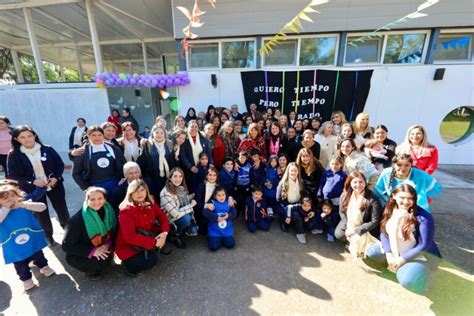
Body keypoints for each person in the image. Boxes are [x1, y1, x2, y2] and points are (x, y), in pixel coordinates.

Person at [365, 183, 441, 293]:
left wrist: (402, 260)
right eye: (402, 197)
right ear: (394, 196)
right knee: (372, 252)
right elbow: (384, 231)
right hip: (396, 248)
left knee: (407, 281)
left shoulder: (423, 217)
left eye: (410, 198)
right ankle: (397, 266)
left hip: (418, 255)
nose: (406, 202)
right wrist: (389, 253)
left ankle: (423, 277)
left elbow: (424, 245)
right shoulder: (389, 209)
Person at [7, 125, 70, 246]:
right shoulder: (14, 154)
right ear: (16, 139)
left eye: (30, 136)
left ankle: (68, 231)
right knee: (41, 213)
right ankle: (48, 235)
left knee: (61, 209)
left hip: (54, 185)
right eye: (22, 137)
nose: (27, 139)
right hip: (33, 189)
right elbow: (13, 175)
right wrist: (32, 181)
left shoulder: (47, 149)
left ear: (34, 135)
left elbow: (60, 165)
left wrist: (55, 178)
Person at [0, 183, 56, 291]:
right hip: (13, 244)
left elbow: (42, 207)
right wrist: (6, 209)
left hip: (31, 239)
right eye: (5, 198)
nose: (10, 199)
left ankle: (44, 267)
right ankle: (26, 279)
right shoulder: (2, 212)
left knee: (38, 254)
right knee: (20, 263)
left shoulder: (24, 205)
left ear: (18, 195)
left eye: (12, 196)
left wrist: (25, 205)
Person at [116, 180, 171, 276]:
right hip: (129, 245)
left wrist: (164, 234)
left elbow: (163, 218)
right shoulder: (126, 211)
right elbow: (130, 237)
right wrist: (154, 242)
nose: (139, 193)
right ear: (130, 193)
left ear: (146, 191)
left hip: (146, 234)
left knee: (170, 230)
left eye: (142, 190)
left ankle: (154, 248)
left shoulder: (150, 202)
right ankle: (128, 266)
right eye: (136, 191)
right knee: (151, 261)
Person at [62, 187, 117, 280]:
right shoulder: (76, 221)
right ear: (87, 200)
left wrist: (107, 244)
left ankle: (104, 259)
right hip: (83, 252)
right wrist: (93, 251)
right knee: (100, 263)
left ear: (104, 199)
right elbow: (66, 246)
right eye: (92, 199)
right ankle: (91, 271)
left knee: (106, 259)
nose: (96, 202)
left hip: (103, 245)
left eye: (100, 198)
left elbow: (114, 231)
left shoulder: (108, 211)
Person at [335, 172, 382, 259]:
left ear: (365, 182)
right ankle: (351, 241)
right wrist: (348, 227)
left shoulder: (373, 199)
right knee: (339, 234)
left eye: (361, 182)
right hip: (350, 223)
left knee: (368, 250)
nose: (358, 185)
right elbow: (342, 212)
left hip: (365, 227)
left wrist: (356, 231)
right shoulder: (345, 195)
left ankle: (359, 246)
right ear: (350, 183)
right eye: (355, 182)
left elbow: (374, 221)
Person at [374, 153, 442, 212]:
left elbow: (436, 188)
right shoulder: (386, 173)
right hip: (391, 206)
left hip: (414, 208)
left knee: (425, 226)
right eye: (399, 165)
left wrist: (425, 197)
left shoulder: (419, 175)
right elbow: (378, 191)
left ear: (411, 165)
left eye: (407, 165)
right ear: (394, 164)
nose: (403, 168)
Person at [72, 126, 126, 194]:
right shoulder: (82, 152)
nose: (97, 138)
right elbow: (76, 173)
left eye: (99, 135)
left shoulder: (114, 148)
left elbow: (124, 164)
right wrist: (85, 187)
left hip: (115, 184)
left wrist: (124, 178)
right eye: (93, 135)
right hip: (95, 187)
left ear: (103, 135)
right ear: (88, 136)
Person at [160, 168, 198, 248]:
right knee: (186, 218)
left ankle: (183, 228)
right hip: (169, 218)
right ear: (170, 178)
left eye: (180, 176)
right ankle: (175, 235)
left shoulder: (180, 188)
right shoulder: (165, 193)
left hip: (179, 213)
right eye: (175, 176)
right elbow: (175, 214)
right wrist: (191, 206)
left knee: (194, 230)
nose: (178, 179)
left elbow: (184, 199)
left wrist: (197, 195)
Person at [137, 125, 173, 200]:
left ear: (164, 134)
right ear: (153, 133)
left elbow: (172, 160)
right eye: (157, 133)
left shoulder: (169, 144)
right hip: (153, 177)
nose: (159, 135)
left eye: (161, 133)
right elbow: (142, 161)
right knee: (157, 197)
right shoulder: (148, 144)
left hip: (167, 176)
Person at [180, 120, 213, 193]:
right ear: (188, 127)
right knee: (192, 189)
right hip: (190, 170)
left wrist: (211, 163)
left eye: (196, 126)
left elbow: (208, 152)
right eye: (192, 126)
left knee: (202, 189)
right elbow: (182, 155)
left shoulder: (203, 139)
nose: (194, 128)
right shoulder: (184, 139)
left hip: (202, 168)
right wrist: (190, 167)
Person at [203, 186, 237, 251]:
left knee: (230, 245)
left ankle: (224, 238)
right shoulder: (212, 203)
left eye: (223, 195)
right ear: (215, 196)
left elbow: (234, 212)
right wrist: (216, 217)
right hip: (215, 230)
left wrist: (229, 216)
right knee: (213, 247)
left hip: (226, 230)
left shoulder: (229, 202)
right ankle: (214, 238)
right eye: (219, 195)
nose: (221, 197)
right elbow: (205, 212)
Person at [276, 162, 306, 232]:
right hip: (286, 205)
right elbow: (278, 198)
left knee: (301, 217)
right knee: (295, 215)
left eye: (295, 171)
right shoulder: (283, 183)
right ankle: (283, 221)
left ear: (298, 172)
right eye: (291, 171)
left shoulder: (301, 182)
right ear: (288, 171)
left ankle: (293, 221)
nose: (293, 173)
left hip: (297, 204)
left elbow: (304, 194)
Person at [194, 167, 220, 234]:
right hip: (203, 210)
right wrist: (206, 205)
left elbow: (225, 196)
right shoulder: (201, 186)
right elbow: (196, 203)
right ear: (206, 176)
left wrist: (230, 198)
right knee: (205, 231)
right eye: (210, 175)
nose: (212, 177)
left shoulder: (219, 186)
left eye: (214, 175)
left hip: (215, 209)